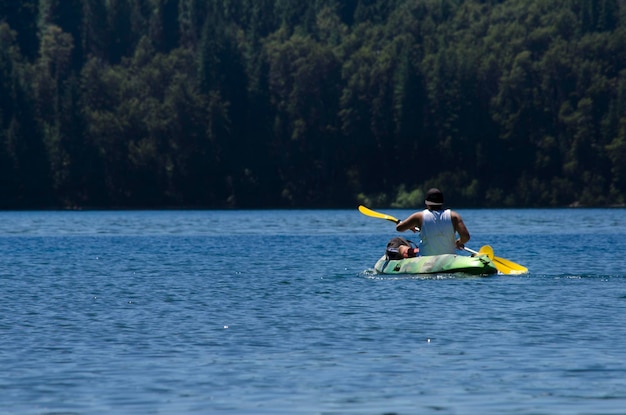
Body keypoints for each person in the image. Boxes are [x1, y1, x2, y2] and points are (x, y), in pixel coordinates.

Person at [395, 188, 470, 256]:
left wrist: (404, 224)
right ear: (442, 202)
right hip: (449, 257)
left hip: (425, 257)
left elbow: (399, 228)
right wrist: (459, 242)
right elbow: (465, 237)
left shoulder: (418, 217)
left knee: (401, 247)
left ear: (426, 203)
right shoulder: (454, 216)